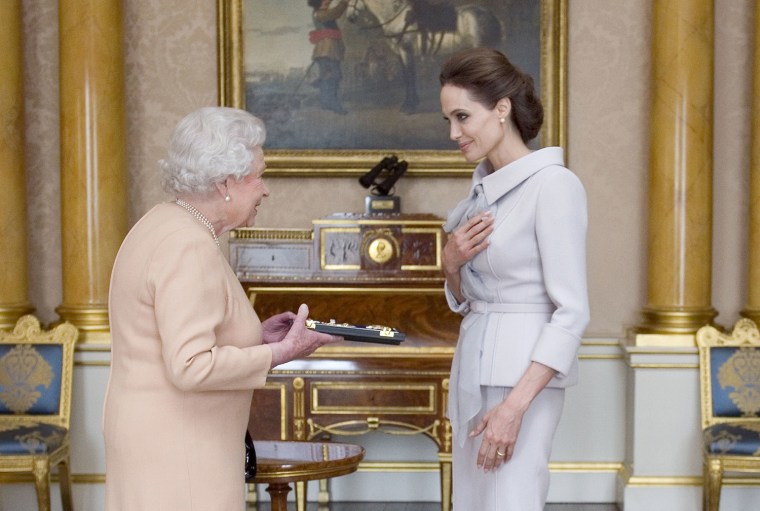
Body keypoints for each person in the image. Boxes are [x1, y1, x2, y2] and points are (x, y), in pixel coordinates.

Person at [102, 106, 341, 510]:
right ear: (226, 182)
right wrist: (279, 352)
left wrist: (256, 336)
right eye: (259, 176)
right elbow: (191, 365)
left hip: (157, 436)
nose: (265, 190)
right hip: (181, 447)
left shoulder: (163, 223)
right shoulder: (189, 245)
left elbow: (179, 333)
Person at [439, 47, 589, 510]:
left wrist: (513, 407)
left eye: (463, 116)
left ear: (502, 108)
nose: (453, 132)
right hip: (473, 371)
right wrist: (450, 263)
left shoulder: (554, 186)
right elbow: (469, 300)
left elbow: (572, 312)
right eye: (448, 119)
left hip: (523, 381)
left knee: (512, 502)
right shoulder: (483, 192)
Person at [308, 0, 349, 114]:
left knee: (330, 76)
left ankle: (326, 102)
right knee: (332, 77)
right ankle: (332, 104)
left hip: (329, 50)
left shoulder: (321, 13)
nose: (328, 1)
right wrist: (344, 2)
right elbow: (335, 12)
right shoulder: (319, 14)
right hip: (326, 51)